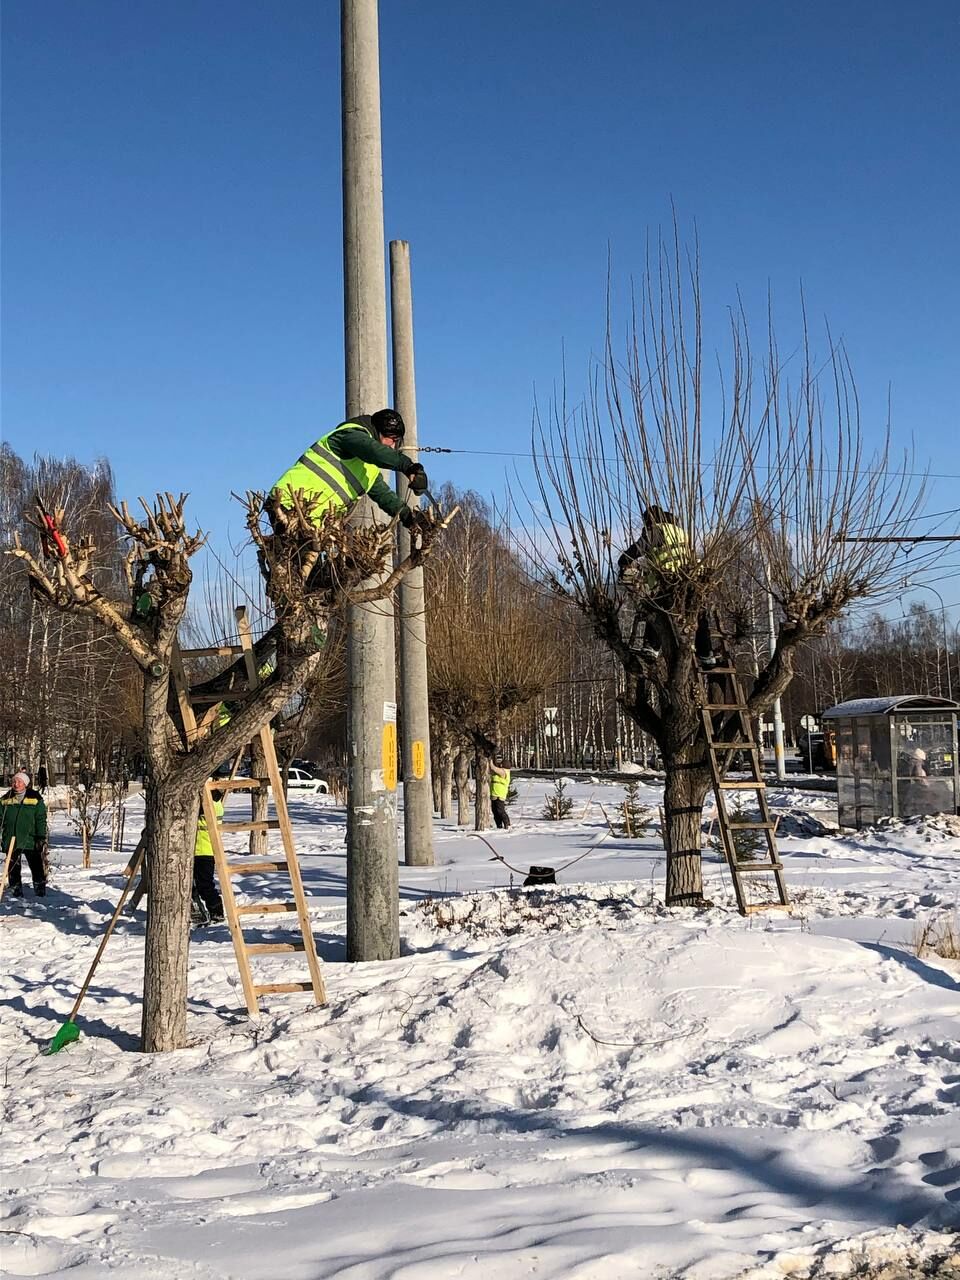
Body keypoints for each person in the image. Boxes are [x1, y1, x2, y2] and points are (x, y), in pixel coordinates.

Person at [270, 409, 431, 535]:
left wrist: (410, 518)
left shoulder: (369, 470)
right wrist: (408, 466)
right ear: (379, 432)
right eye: (392, 439)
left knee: (317, 576)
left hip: (314, 522)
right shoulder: (349, 435)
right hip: (289, 504)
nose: (393, 446)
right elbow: (372, 450)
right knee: (296, 571)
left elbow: (385, 497)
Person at [617, 506, 716, 668]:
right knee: (697, 615)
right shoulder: (680, 531)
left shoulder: (656, 532)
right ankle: (706, 655)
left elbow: (635, 551)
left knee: (656, 608)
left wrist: (624, 563)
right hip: (690, 578)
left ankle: (652, 647)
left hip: (670, 580)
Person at [2, 771, 48, 898]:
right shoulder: (6, 799)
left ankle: (40, 890)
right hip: (11, 839)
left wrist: (40, 837)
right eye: (14, 782)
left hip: (30, 838)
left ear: (26, 784)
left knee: (36, 865)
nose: (16, 784)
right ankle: (15, 890)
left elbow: (40, 819)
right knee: (13, 867)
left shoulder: (34, 798)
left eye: (19, 782)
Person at [192, 789, 225, 924]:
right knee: (194, 884)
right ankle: (198, 910)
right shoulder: (215, 801)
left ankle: (216, 911)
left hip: (204, 850)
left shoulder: (209, 804)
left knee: (205, 885)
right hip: (199, 849)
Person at [490, 762, 512, 830]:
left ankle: (507, 824)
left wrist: (490, 761)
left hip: (499, 794)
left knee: (500, 811)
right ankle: (499, 826)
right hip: (494, 794)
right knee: (495, 811)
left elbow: (493, 768)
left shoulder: (504, 772)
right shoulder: (500, 772)